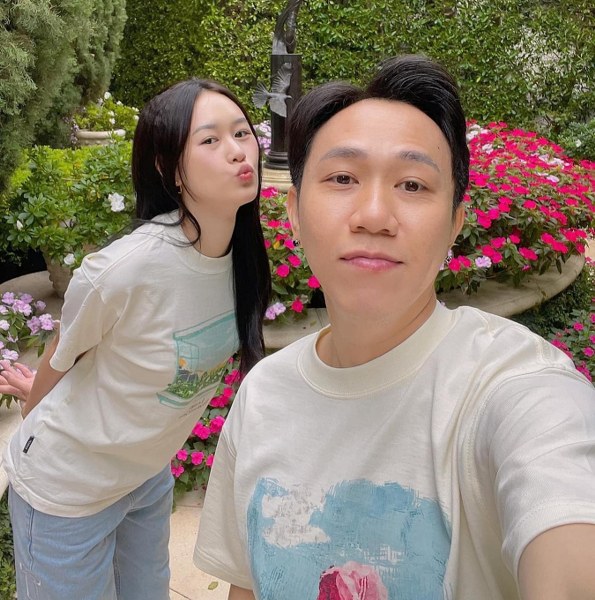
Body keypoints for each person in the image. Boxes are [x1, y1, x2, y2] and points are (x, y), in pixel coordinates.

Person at [193, 55, 595, 600]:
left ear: (454, 224)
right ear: (294, 212)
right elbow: (249, 584)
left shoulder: (510, 387)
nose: (375, 216)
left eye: (412, 184)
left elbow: (562, 499)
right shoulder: (264, 393)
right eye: (342, 178)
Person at [0, 77, 271, 599]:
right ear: (170, 169)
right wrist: (42, 412)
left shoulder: (242, 260)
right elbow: (63, 351)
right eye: (210, 139)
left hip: (145, 478)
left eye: (241, 132)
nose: (239, 150)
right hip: (67, 493)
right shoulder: (124, 270)